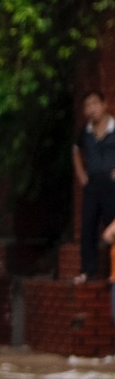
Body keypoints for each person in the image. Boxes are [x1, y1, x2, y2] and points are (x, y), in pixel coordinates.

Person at [76, 91, 115, 283]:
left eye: (94, 104)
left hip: (111, 183)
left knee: (112, 225)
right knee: (88, 226)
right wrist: (81, 174)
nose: (91, 109)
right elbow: (75, 150)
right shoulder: (86, 131)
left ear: (104, 104)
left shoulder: (113, 127)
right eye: (87, 106)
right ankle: (87, 271)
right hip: (92, 183)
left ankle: (112, 271)